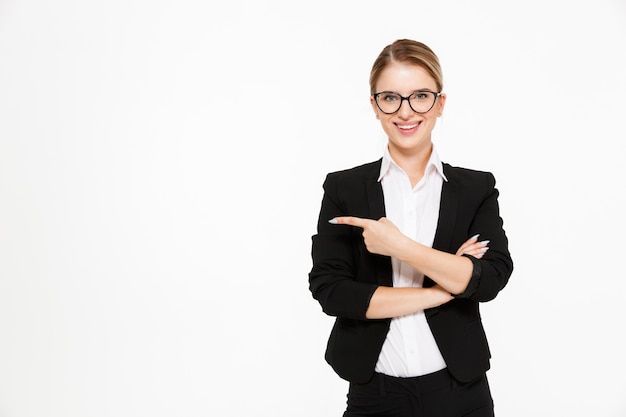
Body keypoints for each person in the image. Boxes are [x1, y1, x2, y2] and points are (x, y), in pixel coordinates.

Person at [308, 39, 514, 417]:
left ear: (440, 103)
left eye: (420, 96)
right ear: (375, 106)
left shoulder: (475, 188)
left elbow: (490, 279)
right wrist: (446, 287)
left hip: (461, 391)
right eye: (390, 97)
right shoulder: (343, 188)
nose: (406, 111)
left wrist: (399, 246)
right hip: (375, 394)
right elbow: (332, 292)